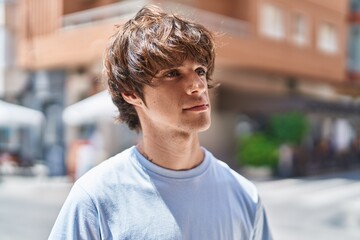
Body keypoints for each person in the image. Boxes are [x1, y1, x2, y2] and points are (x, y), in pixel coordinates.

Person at [49, 5, 272, 240]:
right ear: (131, 92)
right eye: (172, 73)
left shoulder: (244, 196)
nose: (197, 84)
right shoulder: (95, 198)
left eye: (200, 70)